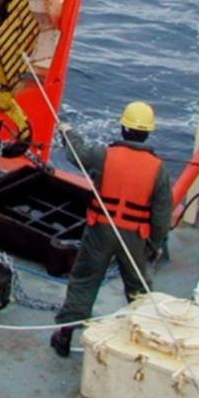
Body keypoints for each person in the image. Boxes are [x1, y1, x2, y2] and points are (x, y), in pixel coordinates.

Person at [49, 101, 171, 357]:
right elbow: (162, 214)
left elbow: (77, 154)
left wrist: (68, 132)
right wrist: (156, 244)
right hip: (135, 236)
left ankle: (65, 336)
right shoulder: (158, 168)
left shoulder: (105, 155)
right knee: (138, 289)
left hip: (100, 231)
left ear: (123, 128)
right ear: (148, 132)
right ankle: (145, 339)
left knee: (84, 280)